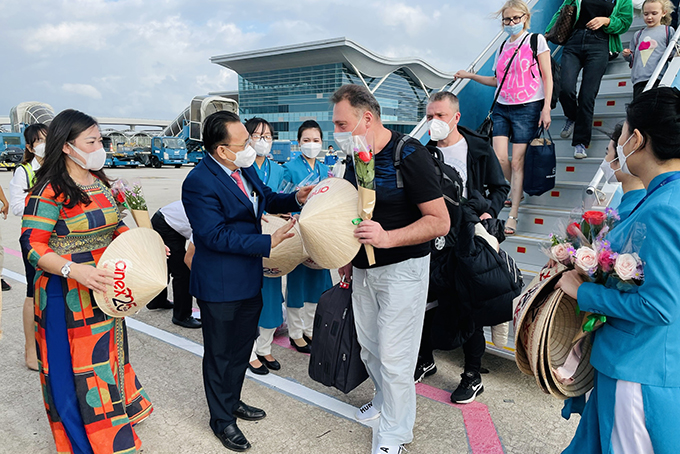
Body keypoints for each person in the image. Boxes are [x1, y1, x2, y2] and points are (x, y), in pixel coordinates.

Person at [20, 109, 152, 453]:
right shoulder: (49, 191)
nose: (99, 147)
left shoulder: (99, 183)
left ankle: (113, 427)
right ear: (66, 146)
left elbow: (115, 226)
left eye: (100, 140)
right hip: (66, 294)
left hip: (105, 287)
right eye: (91, 141)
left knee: (105, 361)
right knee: (72, 371)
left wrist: (146, 246)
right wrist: (73, 271)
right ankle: (83, 442)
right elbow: (33, 245)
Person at [556, 87, 680, 453]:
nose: (620, 143)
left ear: (637, 139)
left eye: (623, 133)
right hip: (638, 364)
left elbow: (660, 306)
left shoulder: (664, 208)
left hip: (639, 368)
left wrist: (585, 292)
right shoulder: (661, 199)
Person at [182, 110, 313, 452]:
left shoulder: (245, 167)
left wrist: (297, 198)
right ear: (222, 150)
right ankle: (221, 420)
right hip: (220, 284)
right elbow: (214, 235)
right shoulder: (199, 182)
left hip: (247, 278)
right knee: (220, 354)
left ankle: (232, 400)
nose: (251, 147)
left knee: (241, 349)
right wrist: (268, 242)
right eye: (244, 143)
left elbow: (266, 197)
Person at [333, 84, 450, 454]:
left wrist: (388, 237)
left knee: (397, 357)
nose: (337, 132)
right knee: (370, 347)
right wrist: (348, 259)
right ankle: (384, 402)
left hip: (404, 269)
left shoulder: (408, 154)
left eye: (342, 123)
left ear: (367, 118)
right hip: (364, 270)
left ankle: (396, 433)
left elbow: (439, 221)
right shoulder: (355, 156)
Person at [415, 91, 510, 404]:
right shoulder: (424, 153)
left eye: (440, 116)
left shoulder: (479, 148)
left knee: (469, 306)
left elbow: (500, 187)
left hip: (468, 236)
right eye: (430, 116)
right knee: (427, 301)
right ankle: (425, 358)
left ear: (456, 117)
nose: (434, 122)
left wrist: (487, 211)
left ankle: (472, 374)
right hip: (434, 238)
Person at [454, 0, 552, 235]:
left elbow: (547, 77)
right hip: (502, 106)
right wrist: (471, 76)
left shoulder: (536, 41)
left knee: (517, 161)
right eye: (506, 19)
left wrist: (546, 108)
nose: (511, 23)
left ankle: (514, 213)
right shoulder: (502, 47)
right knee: (499, 159)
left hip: (528, 106)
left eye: (515, 18)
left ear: (525, 18)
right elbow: (498, 80)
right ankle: (512, 189)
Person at [548, 0, 633, 159]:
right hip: (574, 41)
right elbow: (562, 11)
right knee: (564, 88)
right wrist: (548, 33)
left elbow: (625, 22)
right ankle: (573, 116)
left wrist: (606, 21)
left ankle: (580, 143)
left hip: (600, 44)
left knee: (587, 95)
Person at [281, 120, 333, 354]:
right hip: (298, 232)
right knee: (297, 283)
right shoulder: (289, 168)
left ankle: (310, 329)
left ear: (322, 143)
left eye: (316, 140)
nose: (311, 144)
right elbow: (281, 200)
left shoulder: (325, 170)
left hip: (319, 234)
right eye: (306, 140)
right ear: (298, 142)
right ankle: (295, 332)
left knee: (317, 283)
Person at [245, 117, 286, 375]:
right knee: (249, 297)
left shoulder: (278, 170)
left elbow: (278, 200)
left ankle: (264, 346)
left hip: (272, 242)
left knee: (271, 295)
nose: (263, 141)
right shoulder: (241, 167)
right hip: (249, 239)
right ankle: (248, 351)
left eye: (268, 136)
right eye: (257, 135)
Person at [10, 123, 48, 370]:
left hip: (61, 238)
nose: (44, 144)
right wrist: (45, 207)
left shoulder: (61, 168)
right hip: (34, 238)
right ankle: (30, 350)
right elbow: (15, 207)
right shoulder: (24, 171)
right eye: (39, 140)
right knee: (32, 293)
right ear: (29, 146)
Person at [149, 201, 202, 328]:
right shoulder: (206, 220)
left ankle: (156, 301)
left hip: (171, 221)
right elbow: (189, 259)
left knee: (166, 264)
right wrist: (202, 283)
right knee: (183, 273)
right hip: (165, 224)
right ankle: (181, 316)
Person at [623, 0, 676, 99]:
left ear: (664, 13)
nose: (649, 17)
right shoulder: (638, 34)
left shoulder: (668, 31)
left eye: (654, 13)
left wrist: (668, 54)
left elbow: (674, 52)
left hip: (658, 77)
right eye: (646, 14)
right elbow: (633, 59)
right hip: (639, 79)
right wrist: (627, 55)